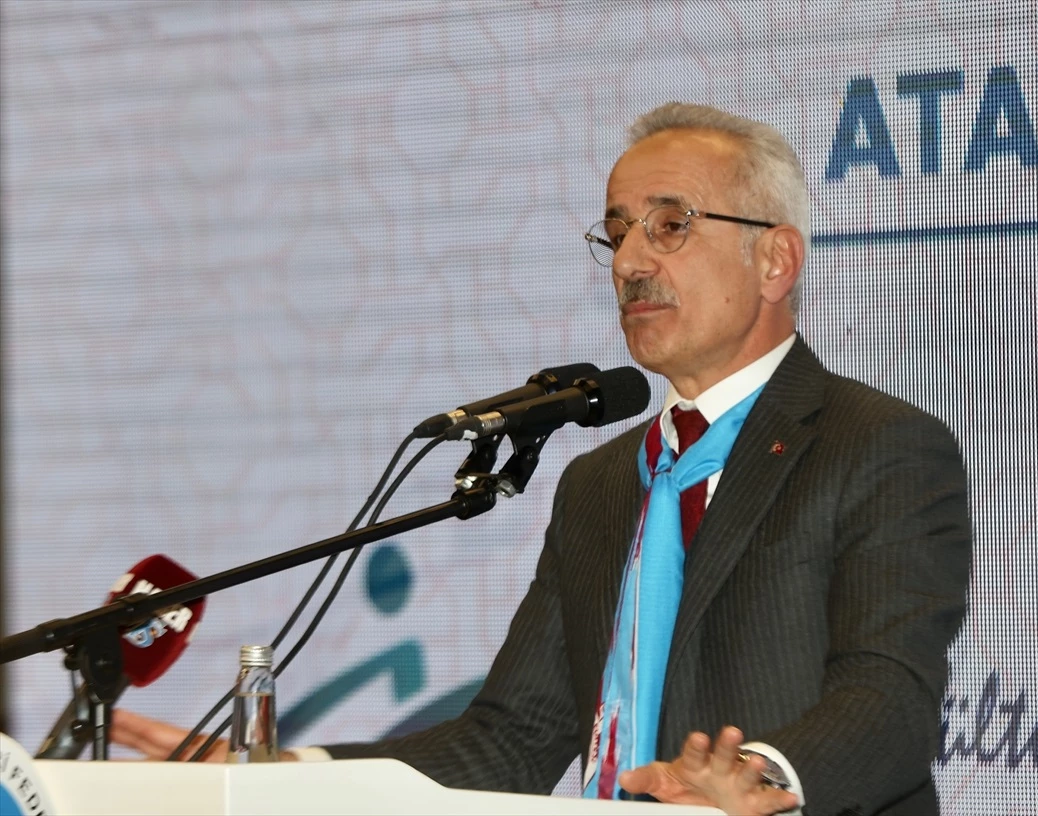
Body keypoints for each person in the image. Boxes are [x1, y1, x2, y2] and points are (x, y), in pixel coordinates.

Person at [113, 103, 971, 816]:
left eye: (670, 225)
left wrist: (762, 775)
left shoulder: (875, 445)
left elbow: (890, 699)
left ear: (775, 259)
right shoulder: (600, 483)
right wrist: (284, 775)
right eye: (617, 232)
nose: (629, 261)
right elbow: (511, 739)